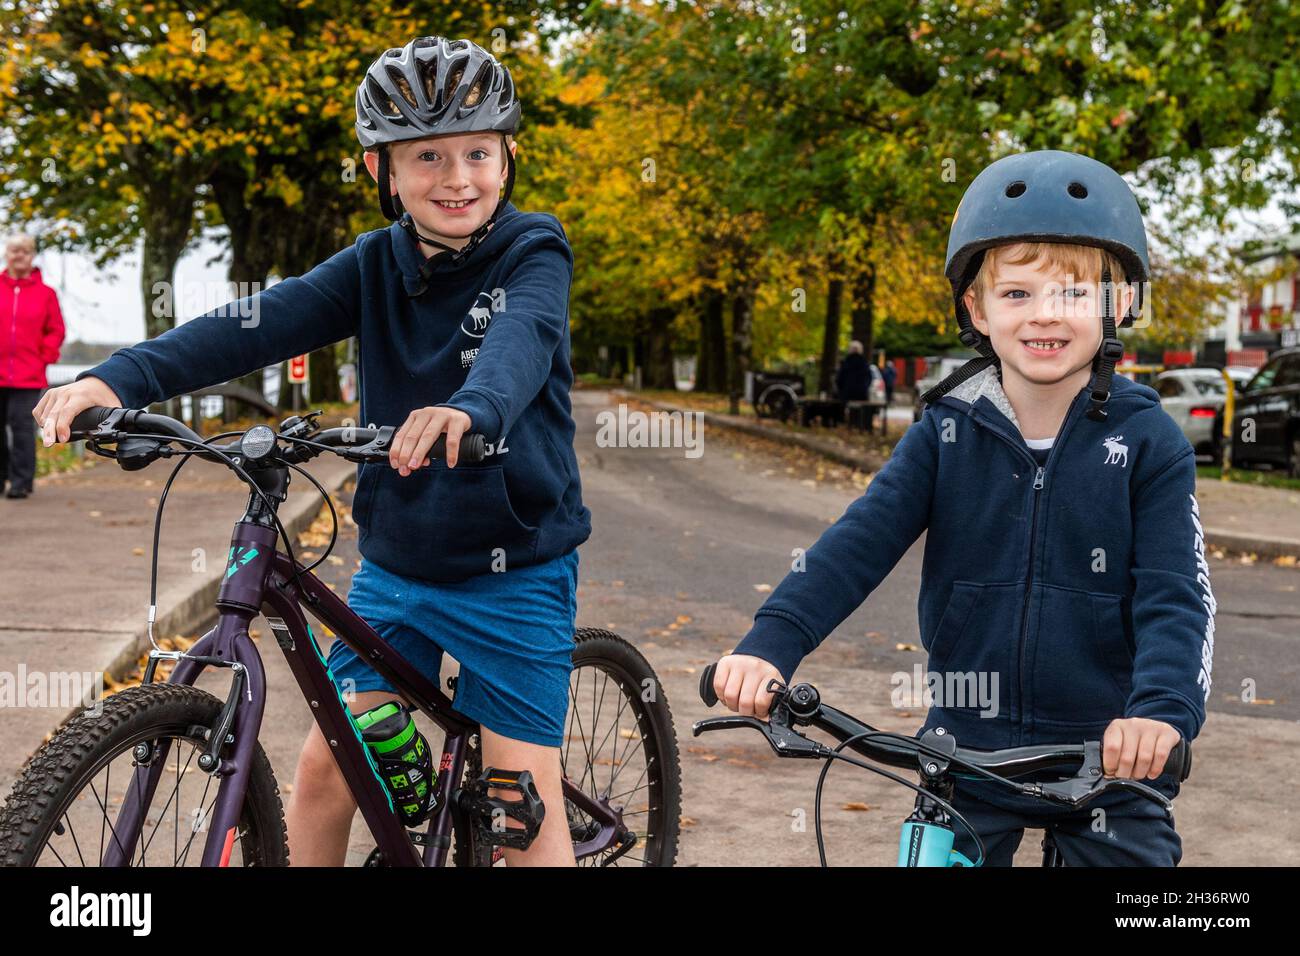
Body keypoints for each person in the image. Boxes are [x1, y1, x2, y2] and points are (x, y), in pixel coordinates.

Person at [33, 36, 591, 866]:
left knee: (520, 810)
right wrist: (121, 378)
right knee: (328, 766)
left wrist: (469, 409)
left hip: (513, 573)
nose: (457, 177)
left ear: (508, 159)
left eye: (478, 151)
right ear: (382, 173)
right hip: (399, 568)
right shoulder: (374, 263)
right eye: (427, 157)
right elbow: (255, 322)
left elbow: (521, 340)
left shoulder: (532, 250)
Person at [711, 150, 1213, 866]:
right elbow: (857, 545)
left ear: (1120, 302)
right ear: (976, 308)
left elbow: (1177, 595)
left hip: (1111, 755)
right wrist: (770, 643)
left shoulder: (1148, 441)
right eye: (1016, 294)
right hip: (966, 748)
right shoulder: (948, 430)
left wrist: (1160, 715)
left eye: (1073, 293)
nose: (1045, 314)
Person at [1, 233, 65, 499]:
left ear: (32, 256)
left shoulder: (46, 294)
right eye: (15, 250)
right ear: (7, 253)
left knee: (22, 429)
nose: (19, 255)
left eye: (25, 251)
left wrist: (44, 357)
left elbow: (56, 330)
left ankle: (21, 481)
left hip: (28, 376)